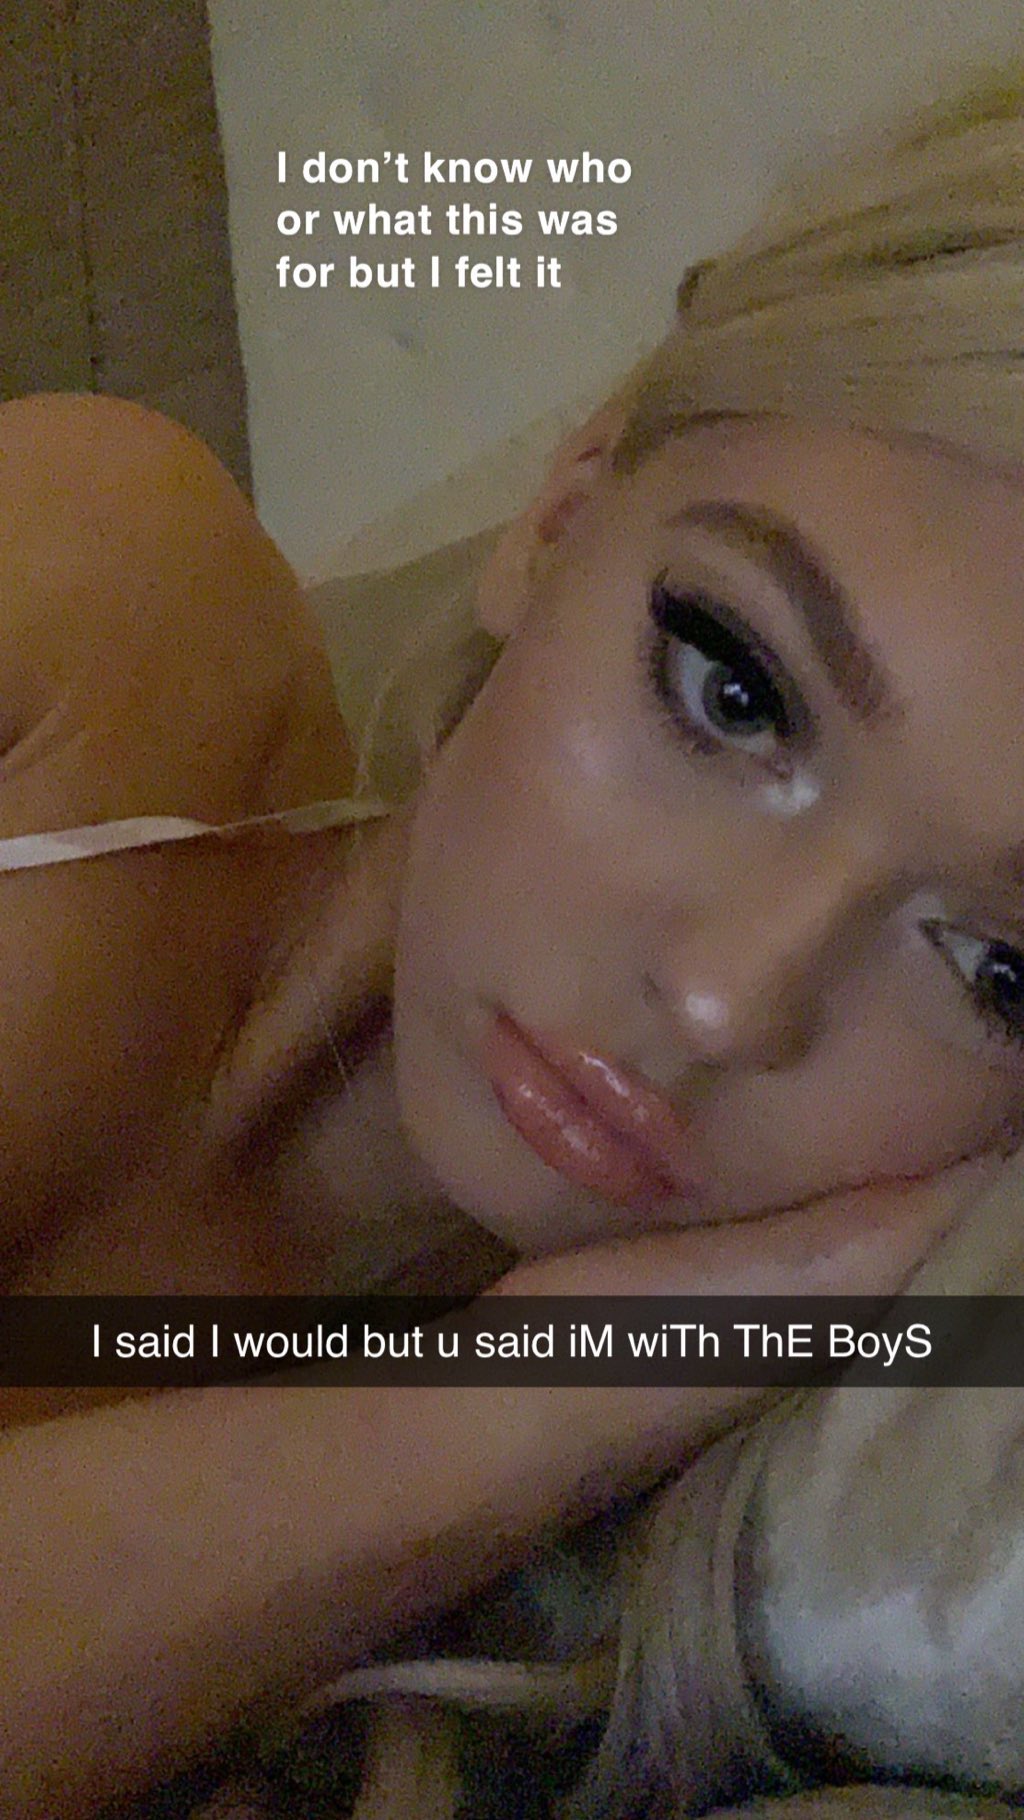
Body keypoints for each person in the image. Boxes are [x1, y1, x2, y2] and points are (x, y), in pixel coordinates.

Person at [3, 55, 1024, 1819]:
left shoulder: (656, 1607)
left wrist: (539, 1401)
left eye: (1001, 968)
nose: (728, 999)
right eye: (733, 689)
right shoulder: (91, 618)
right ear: (564, 509)